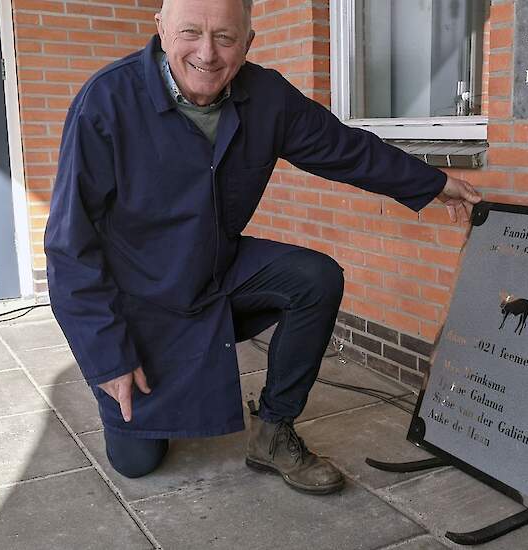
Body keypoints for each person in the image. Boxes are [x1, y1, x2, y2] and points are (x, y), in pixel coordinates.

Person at [45, 0, 481, 494]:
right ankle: (147, 391)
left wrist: (433, 183)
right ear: (161, 31)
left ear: (248, 43)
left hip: (217, 270)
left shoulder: (265, 96)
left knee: (314, 278)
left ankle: (274, 430)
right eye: (191, 33)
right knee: (138, 460)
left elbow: (346, 149)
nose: (207, 53)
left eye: (226, 38)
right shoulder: (106, 102)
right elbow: (69, 246)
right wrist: (107, 357)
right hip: (142, 299)